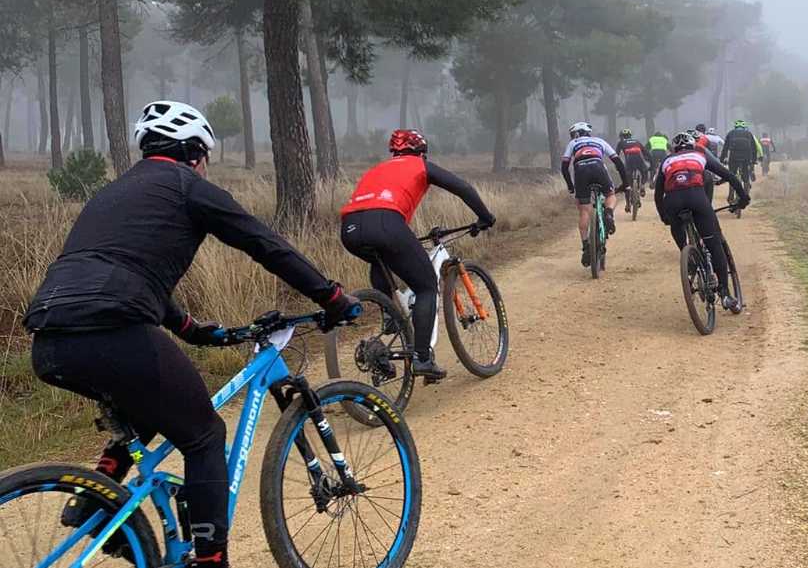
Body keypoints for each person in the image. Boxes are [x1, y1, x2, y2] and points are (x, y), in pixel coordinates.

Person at [24, 101, 361, 568]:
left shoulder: (110, 194)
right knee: (204, 435)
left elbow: (117, 271)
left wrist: (191, 330)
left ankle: (96, 501)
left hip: (48, 337)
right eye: (204, 157)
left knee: (147, 403)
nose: (204, 166)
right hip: (112, 328)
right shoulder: (187, 187)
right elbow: (265, 244)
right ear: (194, 153)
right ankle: (210, 560)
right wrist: (331, 296)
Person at [341, 129, 495, 381]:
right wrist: (485, 217)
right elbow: (463, 188)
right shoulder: (419, 165)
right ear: (421, 152)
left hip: (349, 228)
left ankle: (389, 315)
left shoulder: (377, 169)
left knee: (379, 257)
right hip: (386, 222)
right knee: (425, 287)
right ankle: (422, 358)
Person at [654, 132, 750, 310]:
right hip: (696, 197)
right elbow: (728, 175)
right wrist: (743, 197)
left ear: (674, 149)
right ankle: (726, 294)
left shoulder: (666, 161)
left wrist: (664, 217)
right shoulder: (699, 155)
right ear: (692, 145)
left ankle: (689, 258)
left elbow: (658, 194)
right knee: (714, 245)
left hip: (672, 202)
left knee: (681, 238)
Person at [561, 121, 629, 266]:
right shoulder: (599, 141)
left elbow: (564, 166)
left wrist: (571, 186)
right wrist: (625, 183)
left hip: (581, 171)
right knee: (610, 195)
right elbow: (618, 162)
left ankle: (586, 245)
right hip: (598, 167)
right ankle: (609, 213)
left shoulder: (574, 143)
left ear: (576, 134)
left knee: (584, 210)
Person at [615, 128, 650, 212]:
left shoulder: (621, 142)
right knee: (644, 171)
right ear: (630, 136)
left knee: (627, 183)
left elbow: (616, 155)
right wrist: (650, 163)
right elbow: (646, 153)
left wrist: (618, 166)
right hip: (639, 159)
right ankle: (642, 185)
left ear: (621, 137)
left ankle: (627, 204)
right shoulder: (637, 141)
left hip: (629, 160)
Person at [721, 119, 761, 187]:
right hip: (746, 157)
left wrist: (722, 159)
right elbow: (754, 148)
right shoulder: (749, 133)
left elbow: (725, 147)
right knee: (746, 174)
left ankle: (731, 193)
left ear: (735, 127)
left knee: (732, 174)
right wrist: (754, 160)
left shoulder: (730, 133)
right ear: (744, 127)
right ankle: (746, 188)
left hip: (733, 157)